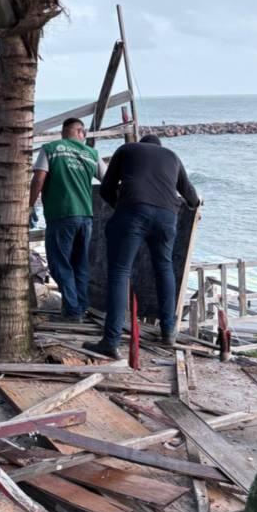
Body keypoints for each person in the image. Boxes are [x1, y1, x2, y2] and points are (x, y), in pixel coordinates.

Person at [83, 135, 201, 358]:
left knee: (120, 273)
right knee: (164, 269)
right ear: (159, 147)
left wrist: (123, 208)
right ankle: (168, 332)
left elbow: (106, 188)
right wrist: (194, 204)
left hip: (132, 212)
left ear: (142, 143)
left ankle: (111, 341)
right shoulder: (172, 157)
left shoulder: (127, 149)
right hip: (167, 218)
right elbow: (191, 197)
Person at [30, 117, 105, 324]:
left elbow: (39, 178)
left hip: (61, 215)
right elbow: (108, 181)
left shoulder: (50, 149)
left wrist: (29, 204)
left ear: (65, 132)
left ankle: (72, 311)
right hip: (86, 217)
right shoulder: (91, 154)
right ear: (80, 132)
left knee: (59, 264)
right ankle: (80, 307)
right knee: (80, 264)